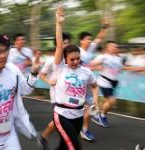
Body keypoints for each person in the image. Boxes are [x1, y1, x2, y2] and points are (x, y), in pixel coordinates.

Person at [53, 6, 98, 150]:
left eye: (78, 58)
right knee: (74, 146)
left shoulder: (86, 71)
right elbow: (60, 47)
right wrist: (59, 24)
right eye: (72, 59)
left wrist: (95, 101)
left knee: (64, 146)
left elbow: (95, 85)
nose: (75, 61)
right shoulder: (61, 68)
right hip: (62, 114)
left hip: (78, 115)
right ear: (65, 60)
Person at [37, 32, 71, 150]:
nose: (65, 45)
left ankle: (43, 136)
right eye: (63, 43)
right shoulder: (52, 60)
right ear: (58, 45)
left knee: (60, 122)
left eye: (67, 42)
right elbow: (42, 75)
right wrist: (49, 81)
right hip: (56, 97)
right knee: (63, 123)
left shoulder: (70, 60)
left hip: (69, 97)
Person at [78, 19, 109, 142]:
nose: (90, 41)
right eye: (87, 39)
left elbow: (99, 39)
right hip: (78, 85)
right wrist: (92, 67)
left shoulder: (89, 50)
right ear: (81, 40)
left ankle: (84, 130)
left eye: (90, 39)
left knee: (90, 107)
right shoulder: (77, 51)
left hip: (89, 84)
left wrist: (104, 28)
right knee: (76, 109)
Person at [90, 41, 124, 128]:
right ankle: (102, 116)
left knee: (107, 101)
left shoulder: (118, 58)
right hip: (104, 81)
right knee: (112, 101)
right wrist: (97, 66)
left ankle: (95, 114)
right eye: (113, 46)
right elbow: (91, 64)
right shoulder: (103, 57)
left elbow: (120, 69)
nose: (115, 48)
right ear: (107, 48)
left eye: (116, 47)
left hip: (114, 82)